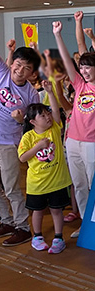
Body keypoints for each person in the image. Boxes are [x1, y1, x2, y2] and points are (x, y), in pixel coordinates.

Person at [53, 20, 95, 239]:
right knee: (79, 185)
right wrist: (58, 36)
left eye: (88, 67)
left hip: (93, 142)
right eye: (82, 67)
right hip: (72, 140)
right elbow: (66, 63)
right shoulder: (80, 85)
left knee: (94, 184)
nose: (83, 71)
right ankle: (85, 222)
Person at [18, 80, 72, 254]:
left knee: (57, 210)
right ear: (33, 121)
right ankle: (37, 236)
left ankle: (58, 238)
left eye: (47, 113)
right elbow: (22, 157)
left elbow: (56, 111)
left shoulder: (54, 129)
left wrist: (50, 92)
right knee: (37, 211)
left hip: (57, 182)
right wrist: (37, 147)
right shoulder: (27, 137)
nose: (48, 117)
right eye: (42, 116)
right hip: (37, 184)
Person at [0, 46, 41, 246]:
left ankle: (23, 227)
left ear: (32, 73)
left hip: (9, 143)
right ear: (12, 63)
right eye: (18, 64)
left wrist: (20, 120)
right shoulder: (3, 73)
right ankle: (5, 221)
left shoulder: (33, 95)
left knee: (11, 187)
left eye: (26, 68)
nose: (20, 70)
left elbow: (33, 125)